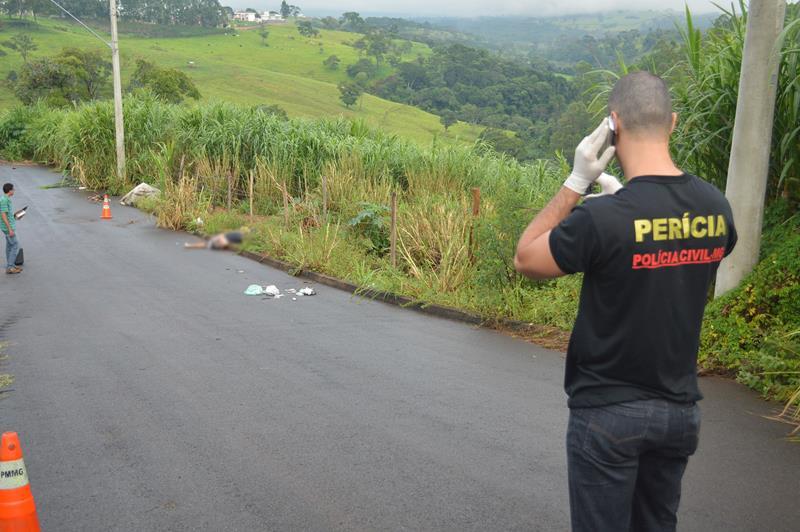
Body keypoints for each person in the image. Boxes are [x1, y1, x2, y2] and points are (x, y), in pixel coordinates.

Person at [514, 72, 737, 531]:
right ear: (672, 123)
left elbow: (526, 257)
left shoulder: (602, 218)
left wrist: (577, 182)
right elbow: (688, 257)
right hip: (679, 412)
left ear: (613, 124)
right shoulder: (716, 206)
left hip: (609, 412)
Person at [1, 183, 22, 275]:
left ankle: (11, 265)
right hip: (8, 228)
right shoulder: (4, 200)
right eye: (13, 189)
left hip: (8, 226)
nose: (14, 191)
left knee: (9, 246)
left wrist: (15, 216)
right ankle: (10, 267)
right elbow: (3, 215)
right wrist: (9, 229)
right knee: (15, 245)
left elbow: (7, 214)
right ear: (9, 191)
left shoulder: (6, 199)